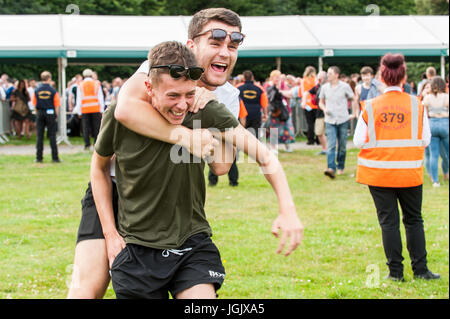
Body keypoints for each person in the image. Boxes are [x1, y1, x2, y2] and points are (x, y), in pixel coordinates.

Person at [67, 7, 303, 299]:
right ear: (192, 46)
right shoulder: (160, 68)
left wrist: (214, 114)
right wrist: (185, 137)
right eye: (215, 43)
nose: (225, 53)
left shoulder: (226, 96)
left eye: (233, 46)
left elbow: (221, 166)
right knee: (86, 290)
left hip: (169, 206)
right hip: (116, 187)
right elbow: (125, 110)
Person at [353, 53, 440, 282]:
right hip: (409, 173)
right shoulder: (417, 105)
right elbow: (426, 140)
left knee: (388, 223)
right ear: (404, 76)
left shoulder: (370, 106)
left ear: (382, 76)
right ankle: (421, 270)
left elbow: (358, 141)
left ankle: (396, 273)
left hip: (379, 173)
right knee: (413, 220)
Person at [319, 66, 356, 178]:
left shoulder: (345, 87)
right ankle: (331, 168)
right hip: (330, 120)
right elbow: (321, 102)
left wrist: (354, 113)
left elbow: (353, 99)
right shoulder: (324, 87)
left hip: (342, 119)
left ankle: (340, 166)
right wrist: (324, 109)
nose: (328, 75)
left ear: (336, 75)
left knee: (342, 146)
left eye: (330, 73)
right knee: (331, 145)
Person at [422, 76, 449, 187]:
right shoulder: (446, 97)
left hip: (432, 123)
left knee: (434, 154)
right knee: (448, 153)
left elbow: (425, 112)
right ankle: (446, 173)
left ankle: (435, 181)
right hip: (444, 123)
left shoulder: (427, 98)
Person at [32, 71, 60, 163]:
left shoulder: (36, 90)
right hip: (50, 113)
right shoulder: (53, 91)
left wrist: (38, 113)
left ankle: (39, 158)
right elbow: (56, 105)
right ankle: (55, 158)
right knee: (52, 135)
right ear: (49, 78)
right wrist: (56, 115)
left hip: (40, 113)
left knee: (40, 136)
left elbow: (34, 104)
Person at [74, 69, 105, 150]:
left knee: (85, 128)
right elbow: (100, 97)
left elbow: (79, 99)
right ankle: (96, 143)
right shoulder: (96, 83)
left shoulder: (80, 85)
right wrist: (101, 109)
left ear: (83, 75)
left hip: (85, 109)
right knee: (96, 127)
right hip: (95, 108)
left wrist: (79, 111)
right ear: (91, 75)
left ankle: (87, 144)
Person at [266, 70, 296, 154]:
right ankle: (273, 147)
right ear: (272, 78)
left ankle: (287, 146)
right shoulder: (268, 86)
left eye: (278, 77)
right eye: (275, 77)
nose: (277, 79)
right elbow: (267, 97)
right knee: (273, 129)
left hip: (285, 110)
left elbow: (290, 94)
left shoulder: (283, 85)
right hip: (273, 111)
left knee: (287, 128)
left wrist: (280, 92)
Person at [236, 70, 268, 137]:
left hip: (242, 115)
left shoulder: (237, 88)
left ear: (243, 78)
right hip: (255, 114)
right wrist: (265, 114)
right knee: (255, 135)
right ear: (252, 77)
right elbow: (264, 104)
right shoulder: (260, 88)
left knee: (242, 135)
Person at [302, 70, 327, 155]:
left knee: (330, 132)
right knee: (319, 132)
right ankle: (325, 149)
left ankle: (329, 149)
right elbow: (306, 92)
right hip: (319, 112)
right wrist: (304, 101)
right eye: (318, 78)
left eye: (321, 78)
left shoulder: (329, 86)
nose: (319, 80)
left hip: (329, 112)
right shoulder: (317, 87)